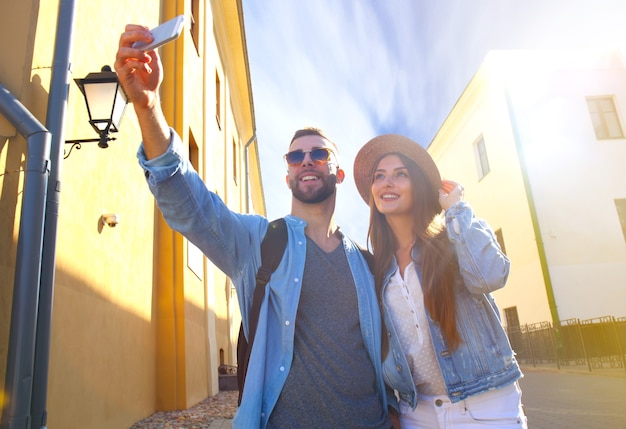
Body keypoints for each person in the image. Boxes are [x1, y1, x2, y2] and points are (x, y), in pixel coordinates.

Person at [114, 25, 392, 429]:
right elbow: (190, 204)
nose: (307, 160)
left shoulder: (368, 264)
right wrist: (147, 106)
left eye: (319, 153)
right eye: (295, 156)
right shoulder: (259, 241)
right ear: (287, 175)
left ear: (339, 171)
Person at [353, 134, 527, 428]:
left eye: (400, 174)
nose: (387, 183)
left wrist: (457, 207)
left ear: (418, 185)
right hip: (417, 413)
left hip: (485, 406)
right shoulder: (376, 268)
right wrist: (394, 408)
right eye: (379, 176)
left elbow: (491, 276)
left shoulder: (452, 238)